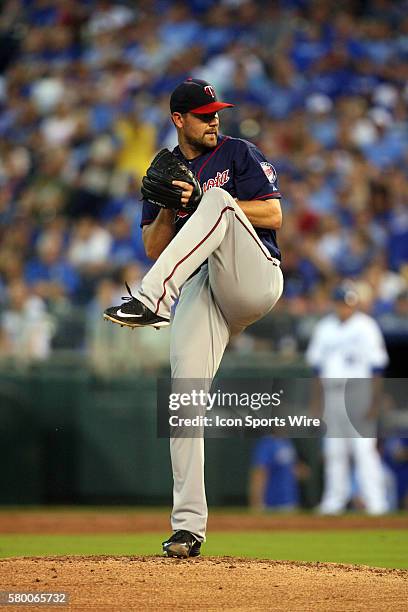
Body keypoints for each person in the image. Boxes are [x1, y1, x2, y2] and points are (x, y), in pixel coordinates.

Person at [104, 78, 284, 556]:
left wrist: (200, 201)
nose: (214, 119)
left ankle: (152, 300)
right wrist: (169, 205)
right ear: (178, 120)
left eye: (216, 111)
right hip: (205, 289)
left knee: (220, 202)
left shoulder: (238, 153)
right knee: (184, 399)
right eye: (204, 114)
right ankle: (188, 528)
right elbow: (152, 247)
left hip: (254, 275)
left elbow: (272, 215)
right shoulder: (166, 168)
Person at [306, 281, 389, 515]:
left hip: (358, 393)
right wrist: (316, 405)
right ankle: (334, 502)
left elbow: (376, 369)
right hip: (332, 395)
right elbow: (316, 372)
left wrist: (374, 402)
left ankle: (376, 503)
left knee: (364, 450)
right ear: (334, 304)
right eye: (341, 303)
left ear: (354, 304)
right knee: (334, 451)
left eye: (349, 303)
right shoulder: (324, 328)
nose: (345, 307)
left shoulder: (367, 327)